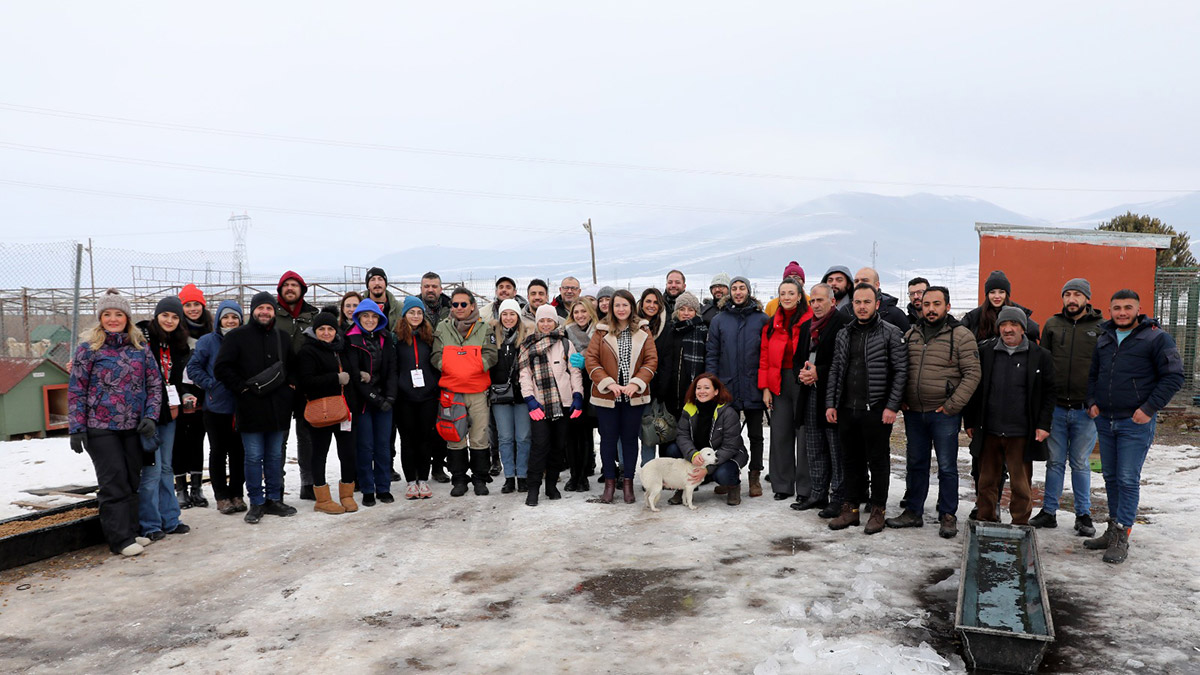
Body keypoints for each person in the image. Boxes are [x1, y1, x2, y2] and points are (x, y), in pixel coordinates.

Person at [1084, 289, 1184, 564]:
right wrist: (1091, 401)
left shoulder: (1156, 338)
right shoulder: (1104, 338)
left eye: (1128, 307)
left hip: (1134, 422)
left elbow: (1174, 376)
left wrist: (1149, 408)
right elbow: (1093, 374)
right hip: (1105, 420)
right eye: (1117, 308)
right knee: (1111, 477)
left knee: (1127, 479)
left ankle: (1121, 536)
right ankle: (1112, 529)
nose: (1122, 312)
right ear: (1110, 310)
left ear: (1138, 309)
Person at [68, 290, 162, 557]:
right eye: (107, 314)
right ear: (100, 318)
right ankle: (119, 540)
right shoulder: (88, 349)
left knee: (132, 479)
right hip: (100, 426)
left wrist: (150, 416)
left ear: (127, 318)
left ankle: (131, 531)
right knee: (113, 482)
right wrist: (77, 427)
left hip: (133, 426)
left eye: (118, 314)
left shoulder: (140, 349)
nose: (112, 319)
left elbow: (155, 385)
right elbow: (76, 388)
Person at [887, 286, 981, 538]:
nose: (930, 309)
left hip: (944, 413)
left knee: (947, 466)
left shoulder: (962, 335)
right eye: (927, 304)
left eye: (936, 304)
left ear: (947, 307)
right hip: (915, 412)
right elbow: (900, 369)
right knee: (916, 463)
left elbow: (973, 374)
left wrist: (952, 406)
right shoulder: (912, 334)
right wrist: (902, 400)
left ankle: (948, 514)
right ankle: (913, 511)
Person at [826, 283, 908, 534]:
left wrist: (892, 406)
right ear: (853, 305)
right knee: (850, 460)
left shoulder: (891, 333)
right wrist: (831, 403)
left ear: (877, 304)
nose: (862, 307)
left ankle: (877, 511)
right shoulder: (844, 333)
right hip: (847, 408)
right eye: (858, 302)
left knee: (878, 461)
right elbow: (836, 370)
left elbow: (900, 372)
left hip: (877, 409)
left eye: (867, 302)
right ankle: (850, 509)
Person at [964, 307, 1054, 528]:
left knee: (1021, 486)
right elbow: (974, 388)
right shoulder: (986, 352)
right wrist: (971, 421)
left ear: (1022, 328)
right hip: (990, 430)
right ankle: (985, 521)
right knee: (986, 482)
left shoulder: (1040, 356)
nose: (1008, 329)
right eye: (1004, 325)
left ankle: (1020, 525)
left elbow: (1049, 393)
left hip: (1021, 432)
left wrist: (1043, 425)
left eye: (1013, 324)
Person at [214, 291, 298, 524]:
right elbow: (222, 368)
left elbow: (293, 366)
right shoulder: (237, 336)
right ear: (253, 310)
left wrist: (289, 388)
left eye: (269, 308)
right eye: (260, 308)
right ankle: (256, 502)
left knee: (273, 456)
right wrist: (241, 389)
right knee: (252, 457)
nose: (264, 312)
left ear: (274, 311)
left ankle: (273, 499)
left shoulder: (282, 337)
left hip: (278, 408)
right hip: (250, 407)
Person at [1029, 279, 1104, 536]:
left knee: (1081, 463)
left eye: (1077, 295)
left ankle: (1083, 514)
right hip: (1057, 408)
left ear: (1087, 298)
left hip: (1086, 410)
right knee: (1055, 462)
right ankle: (1049, 511)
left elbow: (1104, 368)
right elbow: (1043, 367)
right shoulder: (1052, 324)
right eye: (1068, 294)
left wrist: (1098, 402)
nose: (1072, 299)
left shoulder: (1101, 327)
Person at [586, 289, 658, 504]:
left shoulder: (643, 330)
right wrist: (609, 384)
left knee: (629, 440)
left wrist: (635, 384)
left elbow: (651, 360)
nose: (621, 309)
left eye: (625, 305)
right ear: (611, 308)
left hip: (633, 396)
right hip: (607, 396)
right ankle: (609, 483)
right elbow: (592, 360)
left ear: (631, 307)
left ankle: (628, 482)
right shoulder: (601, 331)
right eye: (617, 305)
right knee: (607, 440)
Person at [431, 287, 499, 496]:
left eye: (463, 304)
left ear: (472, 306)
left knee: (479, 436)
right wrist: (452, 366)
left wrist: (473, 366)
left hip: (477, 391)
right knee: (455, 436)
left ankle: (480, 478)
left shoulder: (484, 328)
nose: (459, 308)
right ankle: (459, 479)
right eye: (454, 304)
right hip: (452, 392)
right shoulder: (443, 328)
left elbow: (491, 355)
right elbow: (435, 356)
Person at [705, 276, 769, 497]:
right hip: (727, 387)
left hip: (754, 386)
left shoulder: (762, 319)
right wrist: (714, 384)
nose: (738, 292)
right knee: (726, 436)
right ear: (730, 292)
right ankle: (730, 476)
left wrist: (765, 383)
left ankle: (754, 476)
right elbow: (712, 354)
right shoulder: (719, 320)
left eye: (742, 288)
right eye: (735, 288)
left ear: (749, 291)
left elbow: (766, 354)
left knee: (756, 435)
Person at [135, 296, 193, 540]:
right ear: (156, 316)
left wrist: (184, 396)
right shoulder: (141, 337)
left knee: (167, 467)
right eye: (165, 315)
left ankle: (170, 519)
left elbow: (176, 380)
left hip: (168, 412)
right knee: (151, 469)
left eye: (175, 316)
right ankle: (150, 524)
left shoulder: (178, 344)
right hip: (146, 413)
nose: (169, 320)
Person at [791, 283, 851, 517]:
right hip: (809, 393)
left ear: (832, 301)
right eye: (812, 301)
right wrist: (802, 374)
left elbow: (844, 362)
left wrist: (819, 372)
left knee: (835, 448)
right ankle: (817, 493)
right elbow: (797, 359)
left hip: (833, 396)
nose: (815, 305)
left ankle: (838, 497)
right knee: (814, 446)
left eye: (820, 301)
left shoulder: (843, 325)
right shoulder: (807, 327)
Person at [519, 305, 585, 506]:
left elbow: (574, 372)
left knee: (558, 447)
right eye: (542, 321)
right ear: (537, 323)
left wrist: (577, 396)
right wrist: (530, 400)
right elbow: (524, 376)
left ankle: (551, 485)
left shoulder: (565, 343)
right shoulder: (527, 346)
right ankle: (533, 488)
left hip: (563, 404)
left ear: (556, 322)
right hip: (539, 405)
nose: (546, 324)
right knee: (540, 447)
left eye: (550, 320)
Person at [295, 311, 359, 514]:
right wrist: (335, 378)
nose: (326, 332)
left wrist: (359, 376)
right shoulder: (308, 351)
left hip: (344, 410)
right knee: (319, 453)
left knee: (347, 453)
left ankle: (347, 494)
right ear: (315, 330)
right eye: (321, 329)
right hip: (321, 411)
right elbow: (306, 381)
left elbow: (350, 372)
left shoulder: (341, 348)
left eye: (330, 328)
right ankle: (322, 499)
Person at [187, 299, 247, 515]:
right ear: (219, 319)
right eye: (226, 317)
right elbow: (193, 368)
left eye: (235, 317)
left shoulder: (245, 340)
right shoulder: (208, 341)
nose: (230, 321)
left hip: (241, 406)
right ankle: (221, 496)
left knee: (239, 453)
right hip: (215, 407)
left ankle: (237, 493)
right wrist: (210, 384)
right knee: (219, 452)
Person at [760, 277, 813, 501]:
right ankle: (782, 485)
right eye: (783, 294)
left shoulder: (811, 321)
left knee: (804, 436)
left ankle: (805, 488)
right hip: (778, 381)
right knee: (780, 433)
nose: (787, 298)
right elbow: (763, 358)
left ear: (800, 296)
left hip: (803, 381)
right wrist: (765, 388)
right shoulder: (771, 324)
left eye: (791, 293)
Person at [346, 299, 398, 506]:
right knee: (365, 446)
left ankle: (383, 487)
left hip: (385, 400)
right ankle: (368, 489)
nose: (369, 320)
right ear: (358, 318)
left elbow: (393, 370)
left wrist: (390, 398)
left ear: (380, 318)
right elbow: (355, 376)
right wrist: (375, 399)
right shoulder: (350, 340)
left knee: (383, 446)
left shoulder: (386, 338)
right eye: (365, 316)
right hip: (363, 402)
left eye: (373, 316)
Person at [274, 270, 321, 501]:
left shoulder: (312, 315)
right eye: (286, 285)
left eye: (295, 285)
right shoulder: (271, 313)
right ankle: (277, 484)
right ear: (280, 289)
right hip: (279, 385)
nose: (290, 288)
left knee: (307, 435)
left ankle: (308, 482)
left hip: (306, 385)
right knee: (279, 436)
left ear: (302, 290)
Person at [672, 374, 748, 506]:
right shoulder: (689, 408)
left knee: (723, 474)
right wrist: (693, 455)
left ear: (716, 391)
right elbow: (682, 435)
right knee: (673, 449)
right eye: (698, 388)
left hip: (726, 456)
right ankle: (684, 486)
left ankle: (733, 485)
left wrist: (707, 469)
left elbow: (730, 447)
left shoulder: (728, 413)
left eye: (707, 388)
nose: (702, 391)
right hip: (700, 454)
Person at [395, 296, 440, 500]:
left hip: (427, 397)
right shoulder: (395, 338)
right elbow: (392, 367)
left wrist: (433, 386)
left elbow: (435, 364)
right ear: (405, 314)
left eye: (419, 312)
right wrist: (399, 387)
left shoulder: (428, 337)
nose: (415, 316)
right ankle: (411, 481)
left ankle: (423, 478)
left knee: (425, 438)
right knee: (407, 440)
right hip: (404, 398)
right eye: (412, 312)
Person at [489, 299, 532, 494]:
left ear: (518, 316)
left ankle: (522, 475)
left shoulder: (526, 338)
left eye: (512, 314)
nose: (508, 318)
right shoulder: (492, 338)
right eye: (504, 314)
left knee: (523, 437)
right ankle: (509, 477)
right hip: (500, 395)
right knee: (505, 438)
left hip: (522, 395)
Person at [175, 283, 212, 508]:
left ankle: (197, 487)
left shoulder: (210, 331)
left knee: (198, 439)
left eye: (196, 304)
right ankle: (181, 488)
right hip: (179, 392)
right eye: (187, 305)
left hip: (203, 392)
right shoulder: (174, 332)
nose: (192, 309)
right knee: (179, 441)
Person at [655, 292, 708, 422]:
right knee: (668, 436)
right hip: (669, 394)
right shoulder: (670, 330)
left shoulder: (703, 332)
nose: (686, 313)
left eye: (690, 309)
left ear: (696, 312)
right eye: (682, 309)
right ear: (676, 312)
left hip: (692, 392)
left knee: (689, 435)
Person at [564, 298, 599, 491]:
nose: (580, 316)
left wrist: (588, 360)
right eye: (576, 312)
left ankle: (584, 475)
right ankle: (573, 474)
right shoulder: (566, 332)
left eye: (583, 311)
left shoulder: (599, 331)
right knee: (571, 433)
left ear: (590, 313)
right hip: (572, 386)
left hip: (592, 384)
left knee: (586, 433)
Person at [637, 287, 671, 465]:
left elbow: (667, 361)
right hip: (631, 387)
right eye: (648, 301)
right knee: (627, 433)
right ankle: (624, 472)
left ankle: (647, 469)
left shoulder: (666, 327)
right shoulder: (630, 323)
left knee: (649, 433)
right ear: (641, 303)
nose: (651, 305)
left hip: (654, 389)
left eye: (655, 302)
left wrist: (661, 390)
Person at [962, 270, 1041, 343]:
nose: (997, 296)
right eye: (992, 292)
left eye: (1001, 292)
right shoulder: (974, 316)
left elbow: (1033, 332)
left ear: (1006, 294)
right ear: (987, 295)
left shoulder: (1019, 313)